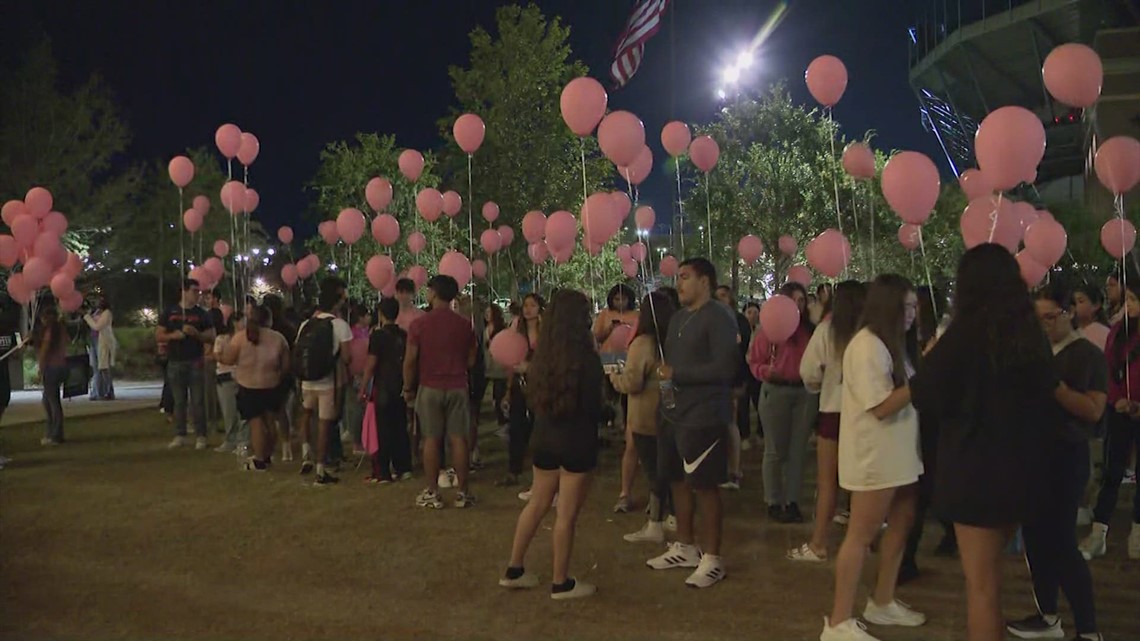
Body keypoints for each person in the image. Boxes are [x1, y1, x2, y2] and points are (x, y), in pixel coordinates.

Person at [911, 245, 1059, 641]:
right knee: (995, 580)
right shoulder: (1030, 334)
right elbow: (1048, 390)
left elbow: (925, 396)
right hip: (1025, 469)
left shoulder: (962, 335)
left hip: (974, 472)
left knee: (982, 588)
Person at [820, 274, 925, 641]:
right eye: (906, 306)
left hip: (899, 454)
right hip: (874, 456)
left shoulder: (891, 344)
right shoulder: (866, 347)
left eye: (914, 306)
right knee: (861, 535)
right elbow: (880, 406)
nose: (913, 313)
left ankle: (882, 599)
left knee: (903, 521)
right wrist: (922, 383)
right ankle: (838, 621)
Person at [1005, 283, 1105, 641]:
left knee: (1062, 542)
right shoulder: (1033, 351)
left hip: (1066, 455)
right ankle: (1047, 615)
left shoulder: (1086, 355)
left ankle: (1089, 629)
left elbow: (1093, 410)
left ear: (1068, 313)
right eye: (1036, 319)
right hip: (1032, 454)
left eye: (1049, 317)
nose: (1043, 325)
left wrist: (1057, 388)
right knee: (1035, 539)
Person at [499, 289, 602, 599]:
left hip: (544, 437)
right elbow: (594, 406)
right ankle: (561, 581)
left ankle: (514, 568)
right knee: (566, 515)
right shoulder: (587, 359)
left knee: (537, 503)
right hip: (577, 441)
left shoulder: (540, 356)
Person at [647, 257, 738, 589]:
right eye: (678, 277)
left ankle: (713, 558)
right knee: (676, 479)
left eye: (685, 277)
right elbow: (670, 365)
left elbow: (725, 369)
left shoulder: (719, 316)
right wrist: (666, 398)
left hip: (704, 416)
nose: (679, 283)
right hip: (673, 414)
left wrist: (678, 375)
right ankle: (684, 546)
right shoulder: (678, 319)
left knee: (704, 485)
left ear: (705, 282)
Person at [787, 280, 865, 563]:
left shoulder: (826, 331)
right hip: (865, 414)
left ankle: (819, 543)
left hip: (833, 411)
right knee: (859, 485)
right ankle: (861, 542)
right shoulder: (871, 333)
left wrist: (820, 385)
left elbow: (808, 371)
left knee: (827, 481)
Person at [1080, 274, 1140, 562]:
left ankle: (1137, 533)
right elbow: (1108, 369)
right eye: (1126, 299)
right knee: (1112, 471)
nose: (1128, 305)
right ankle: (1099, 532)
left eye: (1133, 300)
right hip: (1120, 411)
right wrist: (1117, 400)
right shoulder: (1117, 333)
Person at [405, 275, 478, 509]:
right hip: (457, 386)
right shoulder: (465, 324)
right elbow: (471, 359)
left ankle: (433, 491)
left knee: (431, 440)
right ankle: (463, 492)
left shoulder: (419, 324)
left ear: (434, 293)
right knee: (459, 439)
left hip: (430, 386)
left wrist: (408, 387)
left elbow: (410, 360)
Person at [749, 281, 819, 523]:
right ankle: (773, 500)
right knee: (775, 450)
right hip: (776, 392)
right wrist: (765, 372)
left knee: (798, 450)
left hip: (805, 393)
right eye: (794, 300)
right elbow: (754, 361)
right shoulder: (768, 330)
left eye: (802, 301)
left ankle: (792, 501)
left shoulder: (810, 331)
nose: (798, 306)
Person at [612, 291, 677, 543]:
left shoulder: (643, 344)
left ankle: (656, 524)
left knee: (655, 472)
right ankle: (673, 515)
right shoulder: (675, 340)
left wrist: (613, 376)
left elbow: (632, 382)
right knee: (671, 469)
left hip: (645, 418)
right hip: (671, 413)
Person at [294, 277, 352, 485]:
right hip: (328, 381)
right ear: (337, 303)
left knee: (306, 415)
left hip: (307, 379)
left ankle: (305, 454)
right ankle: (321, 467)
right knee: (325, 422)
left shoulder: (306, 324)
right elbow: (346, 358)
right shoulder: (340, 325)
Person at [221, 305, 290, 471]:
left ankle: (259, 459)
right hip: (272, 384)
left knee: (256, 423)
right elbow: (286, 365)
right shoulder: (278, 338)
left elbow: (228, 359)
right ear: (269, 319)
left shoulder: (239, 338)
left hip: (248, 385)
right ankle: (267, 455)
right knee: (270, 422)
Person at [595, 283, 639, 513]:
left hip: (630, 362)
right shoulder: (604, 315)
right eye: (616, 298)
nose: (619, 302)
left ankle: (624, 427)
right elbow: (597, 336)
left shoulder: (636, 316)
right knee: (607, 394)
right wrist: (610, 329)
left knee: (626, 395)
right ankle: (609, 423)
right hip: (608, 360)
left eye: (623, 298)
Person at [157, 279, 217, 450]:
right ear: (183, 291)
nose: (197, 294)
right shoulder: (170, 312)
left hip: (195, 360)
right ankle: (180, 434)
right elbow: (159, 335)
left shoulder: (202, 314)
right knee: (179, 401)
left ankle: (201, 435)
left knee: (198, 400)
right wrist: (174, 336)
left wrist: (196, 334)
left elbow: (211, 335)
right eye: (194, 291)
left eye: (198, 291)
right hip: (175, 361)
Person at [360, 298, 412, 483]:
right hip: (400, 385)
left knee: (382, 429)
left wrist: (363, 386)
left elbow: (371, 363)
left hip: (382, 387)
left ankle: (383, 470)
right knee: (400, 426)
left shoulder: (378, 336)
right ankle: (403, 466)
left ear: (381, 314)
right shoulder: (404, 335)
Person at [499, 293, 544, 490]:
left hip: (541, 384)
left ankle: (541, 471)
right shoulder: (517, 330)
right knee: (516, 427)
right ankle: (513, 470)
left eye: (532, 305)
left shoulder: (547, 331)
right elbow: (510, 361)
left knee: (539, 427)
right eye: (525, 305)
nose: (528, 309)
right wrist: (509, 389)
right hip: (519, 384)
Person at [715, 285, 751, 489]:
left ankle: (734, 470)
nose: (722, 299)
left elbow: (740, 351)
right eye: (718, 296)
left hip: (730, 379)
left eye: (725, 295)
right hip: (716, 380)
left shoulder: (737, 321)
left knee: (730, 423)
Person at [263, 294, 297, 462]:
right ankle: (285, 445)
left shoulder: (266, 332)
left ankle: (278, 444)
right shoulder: (288, 328)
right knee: (281, 409)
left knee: (271, 411)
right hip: (285, 372)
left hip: (270, 372)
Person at [212, 312, 248, 454]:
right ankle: (230, 440)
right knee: (229, 411)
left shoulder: (247, 339)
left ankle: (243, 441)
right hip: (226, 377)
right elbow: (218, 356)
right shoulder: (222, 339)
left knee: (243, 411)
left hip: (243, 376)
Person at [33, 306, 69, 446]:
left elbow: (45, 351)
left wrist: (40, 369)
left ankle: (55, 434)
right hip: (61, 366)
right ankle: (54, 432)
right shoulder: (60, 329)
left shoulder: (49, 332)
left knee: (51, 402)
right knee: (50, 400)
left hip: (51, 368)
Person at [83, 296, 117, 401]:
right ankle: (96, 392)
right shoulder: (96, 312)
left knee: (104, 368)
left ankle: (108, 391)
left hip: (102, 341)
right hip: (93, 340)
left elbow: (97, 326)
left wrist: (87, 317)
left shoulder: (107, 313)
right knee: (95, 368)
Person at [201, 290, 225, 430]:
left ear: (215, 298)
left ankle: (212, 420)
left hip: (210, 354)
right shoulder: (218, 314)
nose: (206, 300)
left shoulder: (212, 315)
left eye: (209, 298)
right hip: (214, 353)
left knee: (209, 390)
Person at [483, 303, 509, 426]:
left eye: (489, 312)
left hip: (500, 368)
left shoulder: (502, 330)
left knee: (499, 394)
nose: (487, 315)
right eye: (486, 313)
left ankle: (503, 421)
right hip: (488, 366)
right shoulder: (485, 329)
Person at [1072, 283, 1111, 352]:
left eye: (1080, 301)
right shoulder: (1073, 331)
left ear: (1096, 305)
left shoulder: (1101, 332)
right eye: (1073, 302)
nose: (1075, 305)